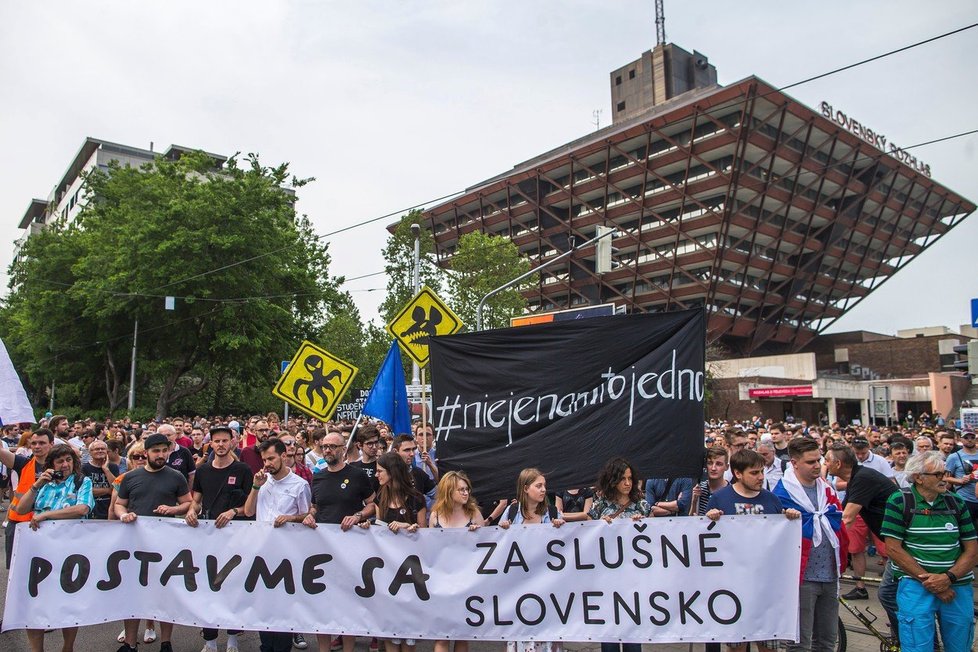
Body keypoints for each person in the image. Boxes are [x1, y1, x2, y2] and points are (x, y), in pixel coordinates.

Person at [881, 451, 978, 652]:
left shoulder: (956, 502)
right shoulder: (900, 500)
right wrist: (934, 583)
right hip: (916, 585)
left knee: (960, 647)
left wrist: (948, 578)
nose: (945, 478)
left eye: (946, 472)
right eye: (938, 474)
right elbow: (893, 549)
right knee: (918, 647)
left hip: (957, 586)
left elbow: (972, 550)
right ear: (918, 478)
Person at [705, 449, 800, 652]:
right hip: (734, 586)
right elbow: (706, 540)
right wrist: (709, 519)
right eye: (754, 473)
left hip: (766, 588)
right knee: (737, 645)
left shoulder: (771, 500)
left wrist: (788, 518)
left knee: (768, 645)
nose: (760, 477)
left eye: (762, 472)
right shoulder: (720, 499)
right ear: (738, 474)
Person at [114, 433, 192, 652]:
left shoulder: (176, 476)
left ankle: (166, 642)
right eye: (156, 451)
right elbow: (120, 504)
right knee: (134, 594)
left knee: (166, 593)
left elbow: (187, 503)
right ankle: (130, 643)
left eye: (164, 451)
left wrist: (173, 509)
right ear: (146, 452)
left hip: (165, 543)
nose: (160, 455)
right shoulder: (131, 477)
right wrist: (123, 515)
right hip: (135, 544)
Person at [13, 443, 94, 652]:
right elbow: (21, 509)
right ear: (51, 465)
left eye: (69, 460)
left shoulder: (80, 481)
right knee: (35, 601)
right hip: (39, 550)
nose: (65, 465)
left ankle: (68, 647)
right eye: (60, 461)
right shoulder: (43, 484)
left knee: (68, 601)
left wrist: (47, 515)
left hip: (70, 550)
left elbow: (82, 508)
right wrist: (37, 484)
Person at [772, 436, 848, 652]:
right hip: (802, 576)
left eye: (818, 460)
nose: (817, 466)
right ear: (794, 462)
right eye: (810, 462)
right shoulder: (782, 494)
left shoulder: (826, 489)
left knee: (826, 640)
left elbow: (837, 521)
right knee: (800, 643)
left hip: (830, 573)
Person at [307, 431, 376, 652]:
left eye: (333, 447)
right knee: (322, 603)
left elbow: (373, 504)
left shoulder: (357, 475)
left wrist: (358, 516)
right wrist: (310, 514)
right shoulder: (318, 476)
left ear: (343, 449)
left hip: (350, 548)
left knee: (349, 603)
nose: (328, 450)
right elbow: (315, 506)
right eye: (325, 446)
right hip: (322, 548)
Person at [244, 438, 315, 652]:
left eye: (272, 458)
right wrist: (256, 486)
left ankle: (283, 645)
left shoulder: (299, 485)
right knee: (263, 604)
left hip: (287, 553)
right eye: (264, 459)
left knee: (284, 604)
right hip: (261, 551)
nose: (267, 463)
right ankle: (266, 646)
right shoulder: (262, 481)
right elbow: (248, 511)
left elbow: (306, 516)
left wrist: (290, 518)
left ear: (284, 456)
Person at [186, 425, 252, 652]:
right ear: (210, 444)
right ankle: (210, 640)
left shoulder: (243, 470)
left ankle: (233, 637)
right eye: (217, 441)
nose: (221, 445)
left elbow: (250, 506)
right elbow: (197, 499)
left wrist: (234, 511)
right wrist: (192, 511)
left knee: (232, 587)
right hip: (209, 536)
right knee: (208, 587)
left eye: (225, 441)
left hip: (235, 536)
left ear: (233, 442)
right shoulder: (203, 470)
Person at [824, 443, 898, 614]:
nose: (824, 464)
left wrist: (824, 543)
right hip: (894, 539)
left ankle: (905, 635)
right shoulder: (856, 478)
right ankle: (903, 632)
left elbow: (847, 518)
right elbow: (841, 514)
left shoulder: (862, 478)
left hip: (901, 541)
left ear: (838, 464)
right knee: (892, 594)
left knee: (888, 594)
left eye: (827, 461)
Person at [586, 457, 649, 652]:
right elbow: (587, 534)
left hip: (633, 576)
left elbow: (652, 537)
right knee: (610, 632)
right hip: (607, 576)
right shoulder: (600, 505)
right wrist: (599, 526)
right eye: (622, 479)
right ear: (612, 480)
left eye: (630, 478)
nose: (628, 483)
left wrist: (642, 525)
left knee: (632, 632)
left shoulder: (641, 505)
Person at [498, 468, 564, 652]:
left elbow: (562, 548)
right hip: (518, 588)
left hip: (546, 586)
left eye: (544, 486)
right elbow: (500, 548)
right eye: (539, 486)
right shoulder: (511, 512)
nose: (543, 490)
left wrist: (560, 529)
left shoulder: (552, 513)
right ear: (526, 488)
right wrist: (502, 531)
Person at [429, 471, 484, 652]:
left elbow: (485, 547)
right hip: (441, 581)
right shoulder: (436, 515)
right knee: (442, 637)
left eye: (467, 489)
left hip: (466, 581)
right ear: (448, 491)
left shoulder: (474, 514)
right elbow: (430, 549)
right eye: (460, 489)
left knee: (461, 636)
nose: (465, 493)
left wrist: (477, 535)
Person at [0, 427, 54, 569]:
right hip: (19, 523)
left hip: (48, 523)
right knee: (16, 568)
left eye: (42, 443)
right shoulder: (23, 463)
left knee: (45, 567)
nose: (37, 447)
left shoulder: (62, 466)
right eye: (34, 443)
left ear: (51, 444)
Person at [943, 430, 978, 526]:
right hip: (965, 498)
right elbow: (945, 478)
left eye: (972, 437)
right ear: (960, 439)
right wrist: (959, 480)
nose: (969, 440)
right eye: (966, 437)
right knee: (967, 527)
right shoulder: (954, 457)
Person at [81, 438, 119, 519]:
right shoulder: (84, 468)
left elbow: (116, 489)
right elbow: (85, 491)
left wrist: (106, 470)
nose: (100, 451)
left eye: (103, 449)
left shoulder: (113, 467)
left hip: (109, 510)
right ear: (90, 452)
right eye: (97, 449)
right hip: (92, 511)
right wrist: (107, 490)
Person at [690, 447, 729, 516]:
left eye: (719, 464)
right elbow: (691, 519)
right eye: (710, 463)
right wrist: (694, 501)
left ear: (726, 467)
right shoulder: (699, 488)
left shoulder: (731, 490)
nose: (713, 468)